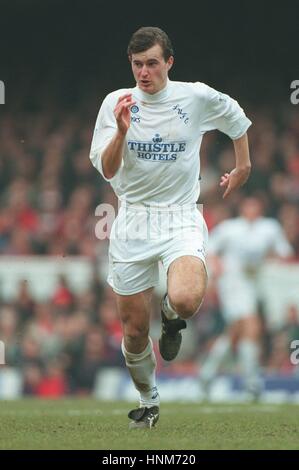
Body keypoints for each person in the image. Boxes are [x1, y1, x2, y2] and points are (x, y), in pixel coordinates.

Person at [90, 26, 252, 428]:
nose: (143, 72)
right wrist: (123, 132)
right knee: (132, 332)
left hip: (180, 215)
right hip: (132, 219)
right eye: (136, 64)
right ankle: (149, 401)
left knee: (185, 298)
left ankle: (171, 315)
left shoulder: (193, 97)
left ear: (169, 63)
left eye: (151, 63)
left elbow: (236, 119)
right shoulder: (116, 104)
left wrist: (243, 166)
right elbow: (108, 168)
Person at [199, 197, 293, 400]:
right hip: (232, 282)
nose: (252, 209)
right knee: (251, 324)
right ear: (242, 208)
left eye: (255, 206)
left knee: (236, 331)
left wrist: (270, 262)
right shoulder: (230, 228)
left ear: (260, 208)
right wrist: (217, 270)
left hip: (255, 284)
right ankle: (252, 383)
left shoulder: (269, 227)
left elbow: (284, 253)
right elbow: (210, 250)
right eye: (248, 206)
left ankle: (207, 374)